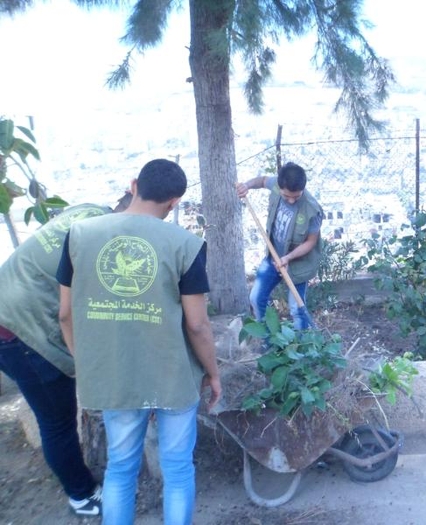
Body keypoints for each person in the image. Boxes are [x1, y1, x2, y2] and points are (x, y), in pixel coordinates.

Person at [57, 159, 222, 524]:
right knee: (177, 469)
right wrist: (213, 373)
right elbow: (197, 325)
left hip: (115, 373)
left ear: (134, 185)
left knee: (120, 468)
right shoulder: (186, 245)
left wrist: (87, 361)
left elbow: (65, 314)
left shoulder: (79, 235)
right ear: (174, 201)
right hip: (172, 374)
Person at [0, 193, 131, 517]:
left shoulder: (88, 210)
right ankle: (81, 495)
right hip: (22, 333)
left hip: (8, 309)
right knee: (57, 421)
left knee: (55, 415)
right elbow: (79, 313)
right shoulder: (111, 244)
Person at [236, 161, 323, 330]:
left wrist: (288, 258)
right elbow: (262, 181)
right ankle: (267, 339)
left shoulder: (312, 210)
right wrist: (246, 186)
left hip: (297, 265)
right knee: (256, 298)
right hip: (273, 257)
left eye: (296, 197)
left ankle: (302, 344)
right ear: (279, 187)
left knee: (297, 309)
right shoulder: (275, 185)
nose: (291, 200)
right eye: (286, 196)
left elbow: (311, 242)